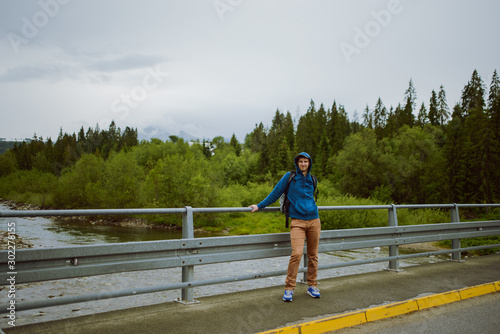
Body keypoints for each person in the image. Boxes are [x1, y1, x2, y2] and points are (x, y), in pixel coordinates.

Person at [249, 152, 321, 302]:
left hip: (314, 220)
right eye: (300, 161)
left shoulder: (313, 180)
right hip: (297, 222)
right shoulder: (290, 177)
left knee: (313, 255)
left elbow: (310, 197)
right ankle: (289, 288)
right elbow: (275, 193)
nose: (303, 164)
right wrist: (259, 205)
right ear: (297, 163)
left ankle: (312, 285)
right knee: (296, 253)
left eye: (305, 161)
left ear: (309, 163)